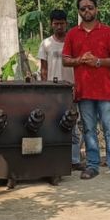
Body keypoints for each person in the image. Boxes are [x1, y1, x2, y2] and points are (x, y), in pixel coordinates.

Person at [62, 0, 110, 183]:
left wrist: (98, 62)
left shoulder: (108, 32)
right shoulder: (73, 34)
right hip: (84, 91)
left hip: (105, 91)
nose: (87, 11)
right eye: (82, 9)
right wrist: (79, 60)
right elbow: (65, 60)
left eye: (90, 7)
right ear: (79, 12)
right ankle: (92, 165)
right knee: (89, 130)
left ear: (96, 9)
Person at [38, 9, 82, 171]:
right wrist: (43, 89)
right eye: (56, 24)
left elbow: (79, 67)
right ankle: (53, 159)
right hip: (51, 91)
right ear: (51, 24)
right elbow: (43, 69)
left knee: (73, 126)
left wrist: (78, 86)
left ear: (66, 24)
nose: (59, 27)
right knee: (51, 125)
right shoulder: (45, 44)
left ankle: (74, 160)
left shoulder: (73, 42)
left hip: (70, 90)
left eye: (61, 24)